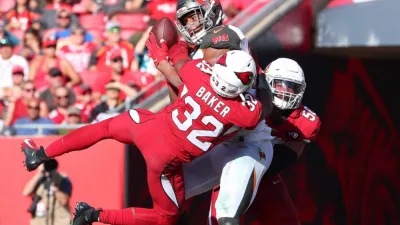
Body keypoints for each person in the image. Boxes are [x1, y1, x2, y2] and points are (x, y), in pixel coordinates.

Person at [22, 50, 265, 225]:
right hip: (164, 159)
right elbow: (259, 106)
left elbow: (179, 57)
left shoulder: (197, 72)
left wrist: (164, 49)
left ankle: (41, 154)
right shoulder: (246, 113)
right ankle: (93, 214)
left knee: (101, 128)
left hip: (147, 126)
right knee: (165, 217)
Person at [152, 1, 274, 224]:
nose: (190, 25)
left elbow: (202, 88)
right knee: (168, 196)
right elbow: (182, 100)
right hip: (218, 145)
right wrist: (169, 70)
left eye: (194, 16)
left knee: (225, 218)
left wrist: (169, 60)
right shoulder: (195, 52)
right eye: (185, 20)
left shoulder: (228, 37)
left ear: (212, 12)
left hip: (247, 143)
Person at [22, 158, 72, 225]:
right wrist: (39, 174)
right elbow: (25, 192)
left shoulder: (62, 178)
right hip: (40, 221)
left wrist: (54, 185)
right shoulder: (39, 178)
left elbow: (64, 201)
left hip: (59, 221)